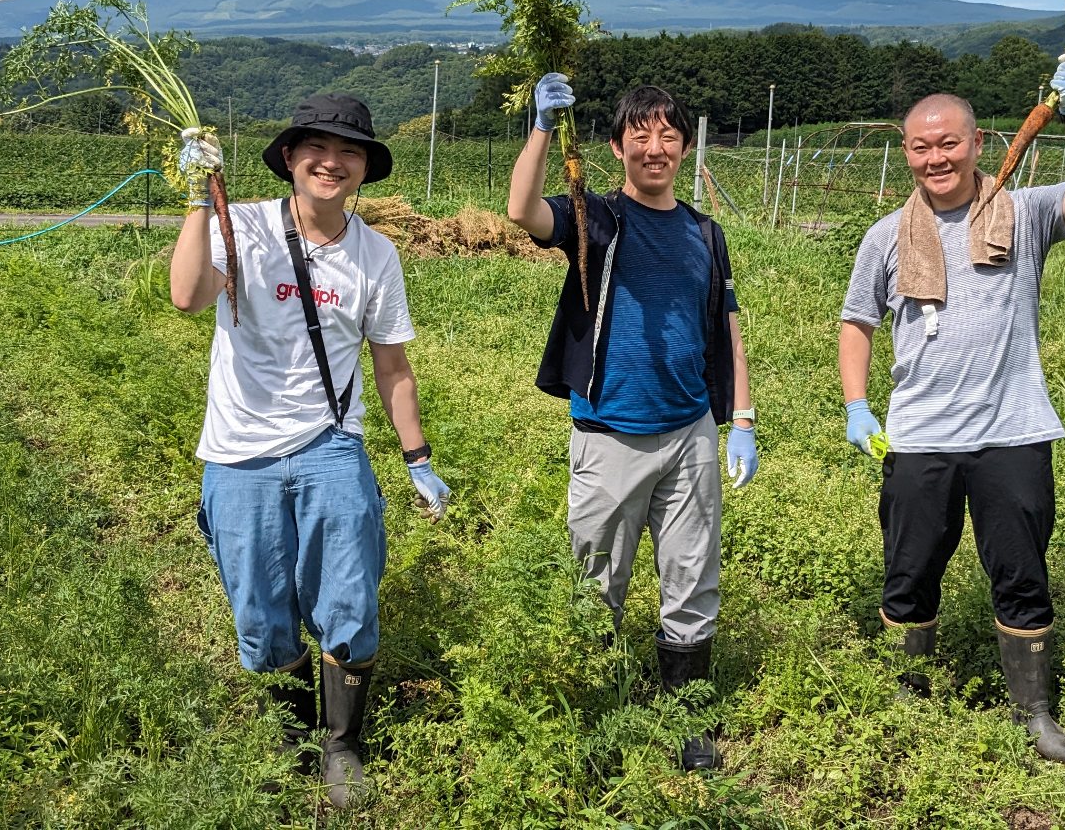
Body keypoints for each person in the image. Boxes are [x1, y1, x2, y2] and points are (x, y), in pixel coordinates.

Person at [169, 94, 451, 807]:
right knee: (262, 622)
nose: (333, 161)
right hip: (239, 453)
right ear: (291, 158)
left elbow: (392, 366)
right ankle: (295, 727)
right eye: (317, 148)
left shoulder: (375, 254)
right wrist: (201, 199)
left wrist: (418, 461)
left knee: (349, 601)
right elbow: (186, 295)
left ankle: (341, 742)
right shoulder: (246, 227)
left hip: (331, 445)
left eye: (349, 151)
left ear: (364, 170)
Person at [836, 54, 1065, 764]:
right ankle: (908, 691)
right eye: (921, 147)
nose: (936, 157)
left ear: (978, 141)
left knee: (1021, 574)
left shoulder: (1024, 211)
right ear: (906, 154)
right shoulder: (886, 236)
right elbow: (856, 321)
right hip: (920, 436)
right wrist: (858, 405)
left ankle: (1034, 715)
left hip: (1012, 430)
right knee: (910, 568)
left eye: (949, 142)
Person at [506, 73, 758, 772]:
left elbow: (725, 323)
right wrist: (542, 128)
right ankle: (600, 719)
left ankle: (687, 720)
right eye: (640, 134)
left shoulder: (706, 233)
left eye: (668, 135)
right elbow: (522, 210)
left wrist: (740, 415)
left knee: (692, 578)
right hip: (609, 436)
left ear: (683, 146)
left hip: (689, 435)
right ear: (617, 147)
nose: (656, 147)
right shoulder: (597, 219)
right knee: (597, 584)